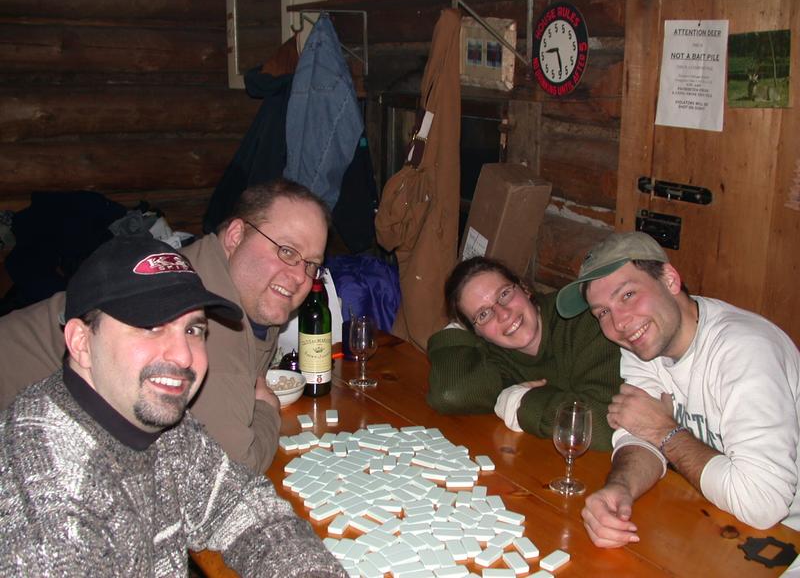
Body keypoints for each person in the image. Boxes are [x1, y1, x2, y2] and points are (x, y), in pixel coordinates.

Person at [0, 236, 345, 576]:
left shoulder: (158, 426)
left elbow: (241, 506)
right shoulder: (47, 511)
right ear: (81, 342)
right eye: (151, 326)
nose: (183, 355)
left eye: (193, 329)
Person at [0, 179, 329, 474]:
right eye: (287, 251)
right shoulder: (205, 318)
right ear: (235, 236)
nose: (301, 276)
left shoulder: (237, 288)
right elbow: (229, 472)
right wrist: (266, 410)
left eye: (312, 264)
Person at [555, 231, 800, 545]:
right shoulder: (644, 344)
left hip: (785, 541)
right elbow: (639, 433)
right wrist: (621, 488)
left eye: (627, 295)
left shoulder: (745, 351)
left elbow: (762, 503)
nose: (619, 323)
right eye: (602, 312)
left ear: (670, 280)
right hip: (716, 519)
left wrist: (665, 432)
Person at [426, 256, 622, 450]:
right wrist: (455, 331)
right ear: (476, 333)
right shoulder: (497, 355)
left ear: (524, 288)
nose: (503, 314)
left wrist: (520, 402)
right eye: (483, 314)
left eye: (504, 294)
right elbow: (450, 394)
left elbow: (605, 425)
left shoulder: (581, 318)